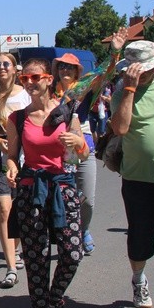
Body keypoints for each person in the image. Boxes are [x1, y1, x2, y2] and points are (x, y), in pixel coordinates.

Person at [6, 57, 90, 308]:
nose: (30, 83)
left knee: (72, 253)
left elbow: (84, 153)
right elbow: (11, 155)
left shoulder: (67, 113)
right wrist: (11, 168)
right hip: (32, 191)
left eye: (35, 78)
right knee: (36, 257)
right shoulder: (17, 118)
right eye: (25, 79)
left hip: (63, 189)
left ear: (48, 79)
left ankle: (56, 299)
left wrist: (77, 141)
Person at [110, 40, 154, 308]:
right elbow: (120, 127)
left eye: (145, 70)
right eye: (136, 70)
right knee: (139, 239)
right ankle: (138, 278)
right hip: (137, 178)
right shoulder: (122, 90)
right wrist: (131, 89)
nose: (141, 74)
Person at [0, 52, 30, 289]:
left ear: (14, 69)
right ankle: (11, 267)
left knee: (19, 210)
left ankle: (17, 249)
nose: (1, 67)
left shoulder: (24, 96)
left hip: (23, 161)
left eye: (6, 64)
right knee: (4, 209)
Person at [51, 52, 99, 256]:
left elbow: (104, 75)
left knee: (87, 199)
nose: (65, 70)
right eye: (62, 66)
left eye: (70, 67)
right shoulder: (51, 92)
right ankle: (70, 236)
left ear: (77, 71)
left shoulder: (85, 90)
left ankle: (83, 227)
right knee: (64, 198)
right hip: (60, 149)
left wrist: (114, 54)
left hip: (84, 147)